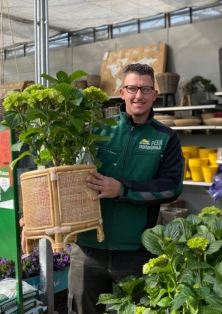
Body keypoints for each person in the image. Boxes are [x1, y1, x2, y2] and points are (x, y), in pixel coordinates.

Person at [67, 63, 184, 313]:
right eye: (132, 88)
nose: (138, 95)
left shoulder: (166, 137)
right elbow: (67, 177)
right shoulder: (98, 130)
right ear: (122, 92)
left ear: (155, 93)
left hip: (135, 252)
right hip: (88, 250)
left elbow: (172, 187)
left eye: (145, 89)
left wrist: (123, 189)